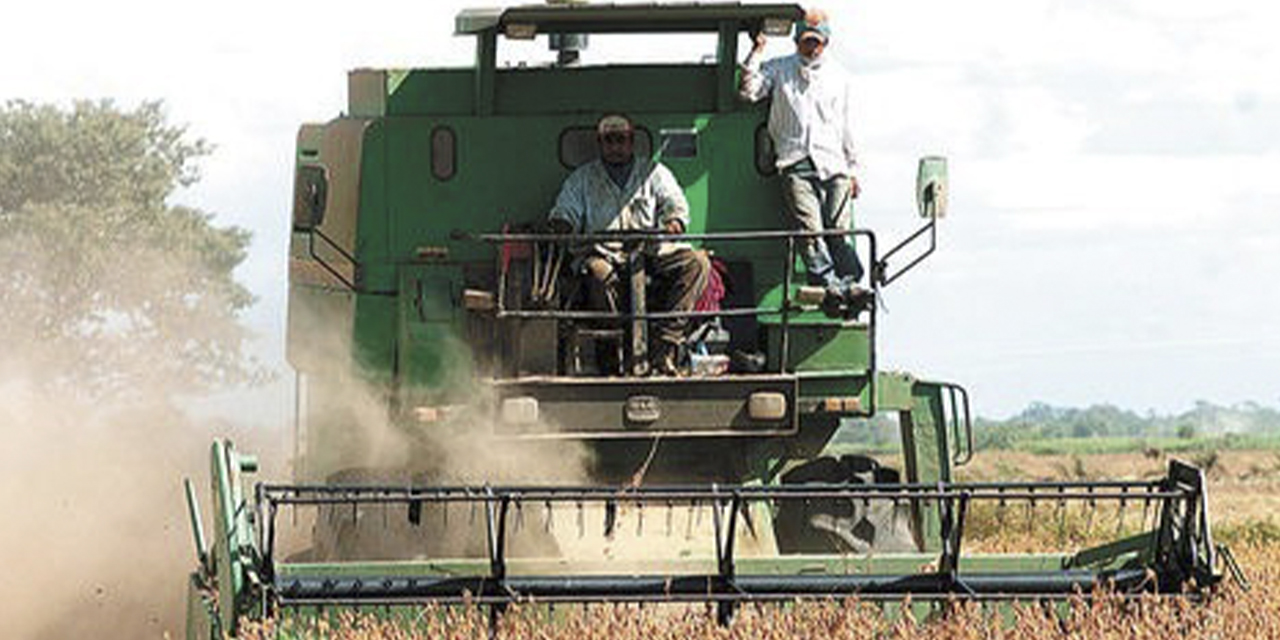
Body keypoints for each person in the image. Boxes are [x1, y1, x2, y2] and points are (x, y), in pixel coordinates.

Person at [548, 114, 710, 376]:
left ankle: (665, 346)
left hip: (650, 251)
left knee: (697, 263)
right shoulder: (583, 179)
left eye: (620, 139)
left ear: (631, 141)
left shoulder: (654, 172)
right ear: (600, 143)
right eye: (609, 140)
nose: (615, 146)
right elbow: (565, 209)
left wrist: (674, 221)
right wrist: (562, 223)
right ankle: (612, 353)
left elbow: (675, 203)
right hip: (605, 253)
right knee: (598, 274)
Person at [739, 8, 871, 316]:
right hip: (795, 160)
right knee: (809, 230)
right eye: (806, 40)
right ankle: (828, 285)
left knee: (838, 230)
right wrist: (757, 52)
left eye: (816, 41)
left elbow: (846, 124)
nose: (811, 46)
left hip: (833, 162)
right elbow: (748, 92)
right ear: (797, 40)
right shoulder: (779, 68)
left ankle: (851, 281)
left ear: (825, 42)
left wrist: (854, 169)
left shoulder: (839, 77)